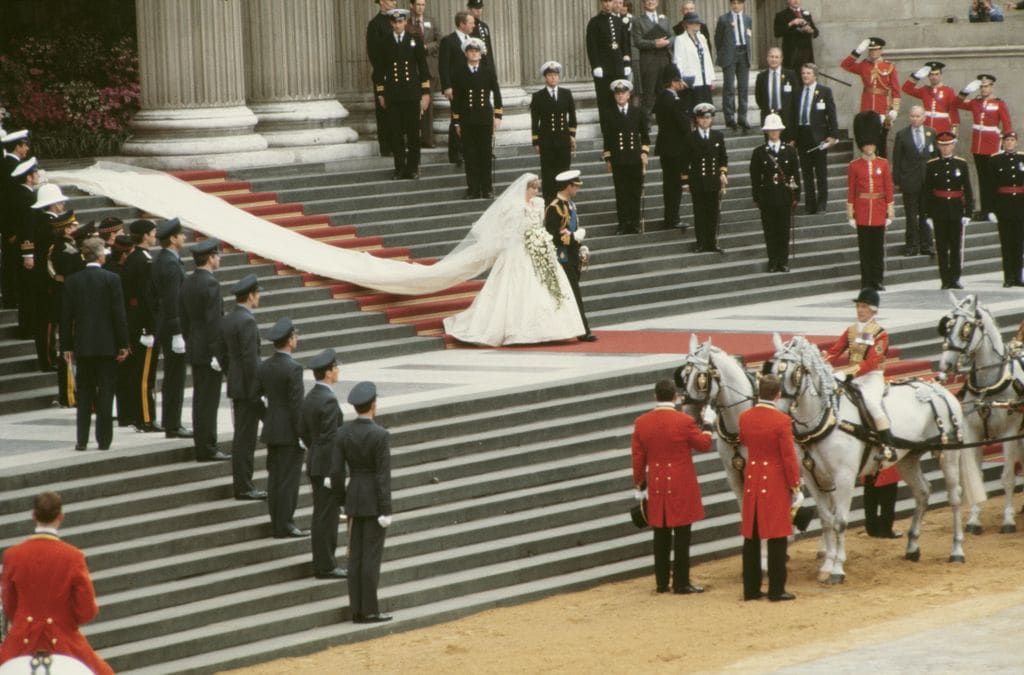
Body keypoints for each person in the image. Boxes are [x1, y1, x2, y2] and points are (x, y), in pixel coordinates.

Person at [444, 174, 586, 346]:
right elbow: (508, 230)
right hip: (518, 250)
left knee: (545, 287)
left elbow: (541, 226)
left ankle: (550, 330)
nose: (536, 191)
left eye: (537, 187)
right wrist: (526, 238)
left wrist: (541, 239)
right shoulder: (514, 207)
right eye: (532, 187)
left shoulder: (538, 204)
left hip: (538, 249)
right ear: (524, 189)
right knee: (517, 287)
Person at [0, 492, 114, 674]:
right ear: (61, 517)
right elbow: (86, 611)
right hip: (63, 638)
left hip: (22, 638)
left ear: (33, 516)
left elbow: (9, 603)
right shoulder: (73, 556)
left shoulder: (12, 555)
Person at [631, 378, 713, 594]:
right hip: (681, 483)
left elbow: (638, 459)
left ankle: (661, 583)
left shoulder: (642, 422)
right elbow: (704, 445)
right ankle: (681, 582)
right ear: (675, 397)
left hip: (657, 482)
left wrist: (640, 486)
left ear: (655, 396)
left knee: (660, 535)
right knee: (682, 535)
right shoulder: (683, 421)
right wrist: (708, 425)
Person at [61, 237, 129, 452]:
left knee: (84, 393)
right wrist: (123, 344)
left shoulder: (72, 281)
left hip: (83, 345)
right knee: (106, 392)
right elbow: (119, 314)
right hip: (106, 345)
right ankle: (104, 439)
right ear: (101, 256)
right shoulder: (112, 279)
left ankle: (82, 440)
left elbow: (65, 317)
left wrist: (66, 346)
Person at [737, 375, 801, 602]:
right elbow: (788, 457)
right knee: (777, 536)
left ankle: (751, 589)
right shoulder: (782, 421)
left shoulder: (744, 417)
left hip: (753, 479)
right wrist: (796, 486)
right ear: (778, 395)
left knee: (751, 537)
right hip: (774, 481)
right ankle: (776, 589)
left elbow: (744, 441)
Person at [334, 381, 393, 623]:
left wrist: (341, 501)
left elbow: (337, 471)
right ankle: (369, 609)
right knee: (370, 558)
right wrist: (386, 509)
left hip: (354, 497)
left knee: (355, 557)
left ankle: (357, 608)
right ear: (373, 405)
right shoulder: (380, 435)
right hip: (372, 500)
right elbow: (382, 475)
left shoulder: (343, 433)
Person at [179, 238, 229, 463]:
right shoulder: (211, 284)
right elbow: (214, 322)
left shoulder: (188, 282)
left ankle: (203, 443)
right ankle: (207, 447)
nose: (218, 259)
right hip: (208, 349)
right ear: (210, 258)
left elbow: (184, 318)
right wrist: (217, 353)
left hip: (195, 345)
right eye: (217, 255)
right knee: (208, 400)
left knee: (201, 398)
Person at [258, 317, 308, 539]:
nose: (296, 339)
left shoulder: (265, 365)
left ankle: (276, 522)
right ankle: (286, 523)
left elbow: (255, 396)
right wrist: (301, 434)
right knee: (288, 481)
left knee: (275, 478)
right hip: (289, 432)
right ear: (289, 340)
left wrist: (267, 418)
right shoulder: (294, 368)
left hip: (272, 430)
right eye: (294, 336)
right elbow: (296, 405)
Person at [300, 348, 347, 580]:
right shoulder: (327, 399)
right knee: (327, 517)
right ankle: (326, 564)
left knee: (322, 514)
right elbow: (331, 438)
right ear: (328, 373)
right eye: (335, 367)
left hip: (315, 461)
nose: (338, 371)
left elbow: (305, 432)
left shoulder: (311, 396)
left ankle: (323, 562)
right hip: (326, 466)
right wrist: (331, 470)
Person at [823, 288, 892, 447]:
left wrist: (846, 373)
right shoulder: (852, 330)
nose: (860, 310)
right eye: (858, 306)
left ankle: (887, 444)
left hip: (872, 376)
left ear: (873, 310)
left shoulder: (880, 334)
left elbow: (871, 363)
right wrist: (822, 361)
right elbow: (835, 351)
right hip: (853, 376)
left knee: (872, 404)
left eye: (864, 307)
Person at [221, 273, 268, 499]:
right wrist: (259, 388)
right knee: (245, 438)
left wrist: (231, 374)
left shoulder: (229, 318)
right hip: (248, 388)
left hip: (236, 384)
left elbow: (222, 353)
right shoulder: (247, 321)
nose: (258, 298)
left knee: (242, 435)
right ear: (250, 296)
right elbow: (252, 360)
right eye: (257, 294)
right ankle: (244, 486)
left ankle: (242, 484)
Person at [375, 8, 431, 181]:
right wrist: (381, 93)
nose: (398, 25)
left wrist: (425, 93)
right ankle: (399, 168)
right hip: (393, 94)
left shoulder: (414, 40)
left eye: (401, 22)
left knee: (414, 133)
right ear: (391, 23)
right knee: (396, 133)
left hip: (412, 94)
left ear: (405, 22)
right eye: (395, 22)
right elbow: (379, 70)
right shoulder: (384, 42)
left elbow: (423, 68)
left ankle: (413, 168)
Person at [149, 218, 192, 439]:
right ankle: (173, 424)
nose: (184, 237)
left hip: (166, 324)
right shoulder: (169, 263)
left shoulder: (165, 260)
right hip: (171, 325)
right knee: (175, 377)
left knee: (173, 376)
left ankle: (170, 421)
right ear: (173, 239)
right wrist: (177, 331)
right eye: (181, 234)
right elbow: (172, 299)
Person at [847, 110, 895, 291]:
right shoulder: (854, 166)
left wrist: (889, 212)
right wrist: (851, 215)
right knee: (864, 249)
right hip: (862, 210)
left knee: (877, 249)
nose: (868, 148)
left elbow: (888, 188)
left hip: (878, 209)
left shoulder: (882, 163)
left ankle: (877, 279)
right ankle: (866, 280)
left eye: (871, 145)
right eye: (866, 145)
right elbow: (852, 190)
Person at [545, 170, 596, 342]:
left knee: (573, 291)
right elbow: (552, 235)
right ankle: (583, 330)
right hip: (563, 255)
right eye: (576, 186)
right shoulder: (554, 207)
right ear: (568, 186)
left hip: (572, 253)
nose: (577, 190)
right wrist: (574, 238)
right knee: (573, 292)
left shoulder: (571, 205)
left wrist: (579, 245)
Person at [955, 74, 1013, 221]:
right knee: (982, 179)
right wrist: (965, 91)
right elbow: (957, 103)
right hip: (978, 147)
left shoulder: (999, 103)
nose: (983, 89)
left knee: (992, 180)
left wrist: (1007, 146)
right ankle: (985, 209)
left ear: (991, 86)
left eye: (986, 86)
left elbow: (1007, 125)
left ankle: (994, 209)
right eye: (981, 86)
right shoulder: (975, 102)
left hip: (992, 146)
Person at [122, 219, 161, 433]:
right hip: (143, 326)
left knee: (141, 373)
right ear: (145, 236)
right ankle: (145, 417)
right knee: (146, 375)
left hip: (137, 323)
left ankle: (141, 416)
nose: (154, 236)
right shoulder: (143, 262)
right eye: (153, 232)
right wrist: (148, 328)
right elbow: (144, 298)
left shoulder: (134, 258)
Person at [451, 37, 502, 199]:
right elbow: (456, 100)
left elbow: (497, 95)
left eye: (476, 51)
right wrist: (457, 121)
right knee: (470, 155)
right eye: (471, 51)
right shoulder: (459, 72)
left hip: (484, 118)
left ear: (481, 54)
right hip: (467, 119)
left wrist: (498, 116)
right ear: (466, 53)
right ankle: (472, 189)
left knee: (485, 154)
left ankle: (486, 188)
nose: (474, 54)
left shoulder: (488, 71)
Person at [749, 113, 801, 273]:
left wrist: (796, 195)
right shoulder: (759, 152)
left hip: (784, 196)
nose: (774, 133)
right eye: (770, 130)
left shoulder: (790, 151)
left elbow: (795, 175)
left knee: (783, 230)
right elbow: (755, 177)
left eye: (776, 129)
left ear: (780, 130)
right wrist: (757, 197)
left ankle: (783, 261)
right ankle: (773, 261)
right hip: (768, 197)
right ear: (766, 132)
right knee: (770, 231)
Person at [924, 131, 974, 289]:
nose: (945, 149)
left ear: (953, 145)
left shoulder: (961, 164)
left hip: (955, 210)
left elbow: (967, 189)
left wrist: (968, 212)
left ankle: (955, 278)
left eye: (948, 145)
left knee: (955, 246)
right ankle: (945, 279)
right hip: (939, 211)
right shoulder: (931, 165)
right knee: (941, 246)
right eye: (942, 146)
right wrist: (928, 214)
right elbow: (928, 191)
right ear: (938, 146)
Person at [603, 79, 650, 235]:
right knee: (621, 192)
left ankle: (635, 223)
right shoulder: (609, 114)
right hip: (619, 160)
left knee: (635, 192)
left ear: (629, 94)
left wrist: (644, 153)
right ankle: (623, 223)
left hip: (634, 159)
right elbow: (608, 138)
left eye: (623, 93)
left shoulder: (638, 112)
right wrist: (608, 158)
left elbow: (645, 136)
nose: (620, 96)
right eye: (618, 93)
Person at [841, 37, 900, 159]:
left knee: (881, 142)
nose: (873, 52)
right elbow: (845, 65)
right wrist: (857, 51)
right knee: (866, 141)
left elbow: (896, 90)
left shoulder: (889, 66)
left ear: (881, 50)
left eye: (876, 50)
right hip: (867, 107)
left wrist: (894, 108)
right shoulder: (864, 65)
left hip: (882, 107)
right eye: (870, 50)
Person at [892, 106, 938, 258]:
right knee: (911, 215)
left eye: (918, 116)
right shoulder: (902, 135)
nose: (915, 119)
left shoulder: (931, 133)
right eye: (912, 116)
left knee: (926, 214)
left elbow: (936, 157)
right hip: (909, 180)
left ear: (924, 117)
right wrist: (897, 180)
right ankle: (912, 245)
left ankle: (927, 244)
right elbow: (897, 160)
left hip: (927, 181)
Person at [682, 102, 728, 253]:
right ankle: (701, 242)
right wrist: (685, 182)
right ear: (697, 119)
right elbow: (684, 162)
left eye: (707, 117)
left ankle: (712, 242)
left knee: (713, 213)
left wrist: (722, 174)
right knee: (700, 213)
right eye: (701, 118)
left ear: (711, 119)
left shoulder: (718, 136)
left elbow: (723, 158)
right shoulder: (690, 138)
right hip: (698, 181)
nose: (704, 121)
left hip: (713, 180)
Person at [530, 61, 578, 205]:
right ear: (545, 78)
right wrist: (536, 141)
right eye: (550, 75)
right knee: (548, 174)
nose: (553, 78)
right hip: (547, 142)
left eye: (556, 75)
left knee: (564, 174)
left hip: (563, 141)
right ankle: (549, 205)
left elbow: (573, 118)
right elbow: (535, 121)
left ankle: (564, 203)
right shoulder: (538, 96)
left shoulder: (566, 94)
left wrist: (572, 136)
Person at [653, 64, 693, 231]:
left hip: (665, 147)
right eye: (678, 81)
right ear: (674, 82)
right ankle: (673, 218)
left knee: (668, 184)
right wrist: (687, 93)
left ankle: (669, 217)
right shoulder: (675, 100)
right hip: (676, 148)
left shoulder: (661, 98)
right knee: (675, 186)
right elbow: (685, 125)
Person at [795, 64, 838, 214]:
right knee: (806, 174)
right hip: (802, 135)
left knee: (820, 173)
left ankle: (822, 204)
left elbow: (831, 114)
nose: (805, 76)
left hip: (819, 136)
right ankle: (809, 204)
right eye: (803, 73)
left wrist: (833, 135)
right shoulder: (798, 91)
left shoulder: (824, 91)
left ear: (815, 75)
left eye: (808, 73)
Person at [587, 0, 633, 134]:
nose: (607, 5)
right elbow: (591, 46)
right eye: (605, 2)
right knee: (605, 103)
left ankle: (621, 133)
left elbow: (625, 44)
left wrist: (627, 63)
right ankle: (608, 139)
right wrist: (596, 65)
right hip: (603, 70)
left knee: (621, 101)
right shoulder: (594, 22)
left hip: (618, 68)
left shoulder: (619, 21)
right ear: (601, 3)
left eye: (610, 1)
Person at [438, 10, 476, 167]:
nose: (473, 25)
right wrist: (447, 86)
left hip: (471, 87)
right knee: (456, 119)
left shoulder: (473, 41)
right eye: (471, 22)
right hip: (456, 88)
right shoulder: (449, 40)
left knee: (471, 118)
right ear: (462, 24)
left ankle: (469, 150)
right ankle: (455, 153)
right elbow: (443, 66)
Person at [366, 0, 399, 157]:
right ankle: (386, 146)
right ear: (381, 3)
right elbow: (374, 53)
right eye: (390, 0)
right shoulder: (375, 24)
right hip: (384, 74)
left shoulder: (398, 21)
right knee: (384, 111)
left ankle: (398, 143)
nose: (394, 2)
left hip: (399, 75)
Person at [992, 131, 1024, 286]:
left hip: (1020, 206)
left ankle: (1018, 277)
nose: (1010, 142)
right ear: (1003, 142)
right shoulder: (996, 160)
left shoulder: (1022, 158)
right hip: (1003, 207)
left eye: (1012, 139)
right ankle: (1008, 277)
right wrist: (991, 209)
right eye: (1007, 140)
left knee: (1019, 243)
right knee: (1006, 243)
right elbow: (990, 187)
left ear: (1016, 142)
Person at [714, 0, 752, 132]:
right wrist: (724, 52)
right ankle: (730, 118)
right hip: (730, 54)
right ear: (730, 4)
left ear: (743, 4)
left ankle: (743, 117)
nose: (736, 5)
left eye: (739, 3)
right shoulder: (724, 19)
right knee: (729, 87)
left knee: (743, 87)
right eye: (734, 3)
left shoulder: (747, 18)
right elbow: (717, 39)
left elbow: (748, 36)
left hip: (743, 54)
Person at [631, 0, 672, 119]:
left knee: (664, 93)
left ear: (658, 2)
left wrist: (667, 42)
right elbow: (637, 41)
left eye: (653, 0)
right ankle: (646, 127)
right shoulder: (638, 21)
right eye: (647, 0)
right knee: (648, 95)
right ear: (643, 3)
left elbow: (673, 36)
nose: (650, 2)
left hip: (664, 61)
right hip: (649, 62)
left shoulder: (665, 19)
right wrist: (654, 43)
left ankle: (664, 123)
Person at [408, 0, 440, 148]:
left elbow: (440, 41)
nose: (420, 8)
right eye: (418, 5)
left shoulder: (431, 21)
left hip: (430, 68)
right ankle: (413, 138)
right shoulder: (406, 23)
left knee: (428, 104)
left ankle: (427, 139)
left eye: (423, 5)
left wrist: (427, 47)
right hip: (414, 70)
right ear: (412, 6)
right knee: (413, 103)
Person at [901, 61, 960, 136]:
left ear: (941, 75)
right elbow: (906, 89)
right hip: (926, 125)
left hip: (942, 126)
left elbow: (953, 111)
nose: (934, 77)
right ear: (928, 76)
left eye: (936, 74)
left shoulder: (948, 91)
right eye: (931, 74)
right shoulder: (925, 90)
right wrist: (917, 77)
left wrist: (954, 131)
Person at [673, 11, 714, 109]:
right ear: (688, 24)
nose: (699, 25)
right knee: (694, 108)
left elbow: (708, 58)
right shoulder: (680, 39)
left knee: (706, 108)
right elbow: (678, 61)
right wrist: (681, 79)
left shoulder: (702, 37)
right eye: (696, 23)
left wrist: (711, 78)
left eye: (698, 23)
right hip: (691, 81)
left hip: (704, 79)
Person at [754, 47, 797, 137]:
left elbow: (796, 97)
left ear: (781, 59)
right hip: (768, 118)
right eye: (771, 57)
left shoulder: (790, 75)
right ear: (767, 58)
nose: (774, 59)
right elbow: (759, 97)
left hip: (787, 119)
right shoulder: (761, 76)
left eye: (777, 57)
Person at [773, 0, 818, 72]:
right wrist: (791, 23)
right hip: (791, 54)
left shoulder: (806, 14)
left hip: (807, 54)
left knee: (807, 78)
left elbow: (816, 32)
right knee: (793, 78)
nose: (796, 1)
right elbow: (777, 33)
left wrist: (811, 31)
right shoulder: (781, 15)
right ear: (788, 1)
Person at [863, 465, 901, 538]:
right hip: (887, 473)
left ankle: (871, 529)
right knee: (887, 504)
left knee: (870, 502)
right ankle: (885, 530)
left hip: (869, 472)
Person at [466, 0, 494, 70]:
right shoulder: (466, 26)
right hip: (473, 65)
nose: (478, 11)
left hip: (485, 65)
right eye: (475, 8)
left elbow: (489, 50)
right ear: (469, 9)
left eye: (480, 8)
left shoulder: (484, 26)